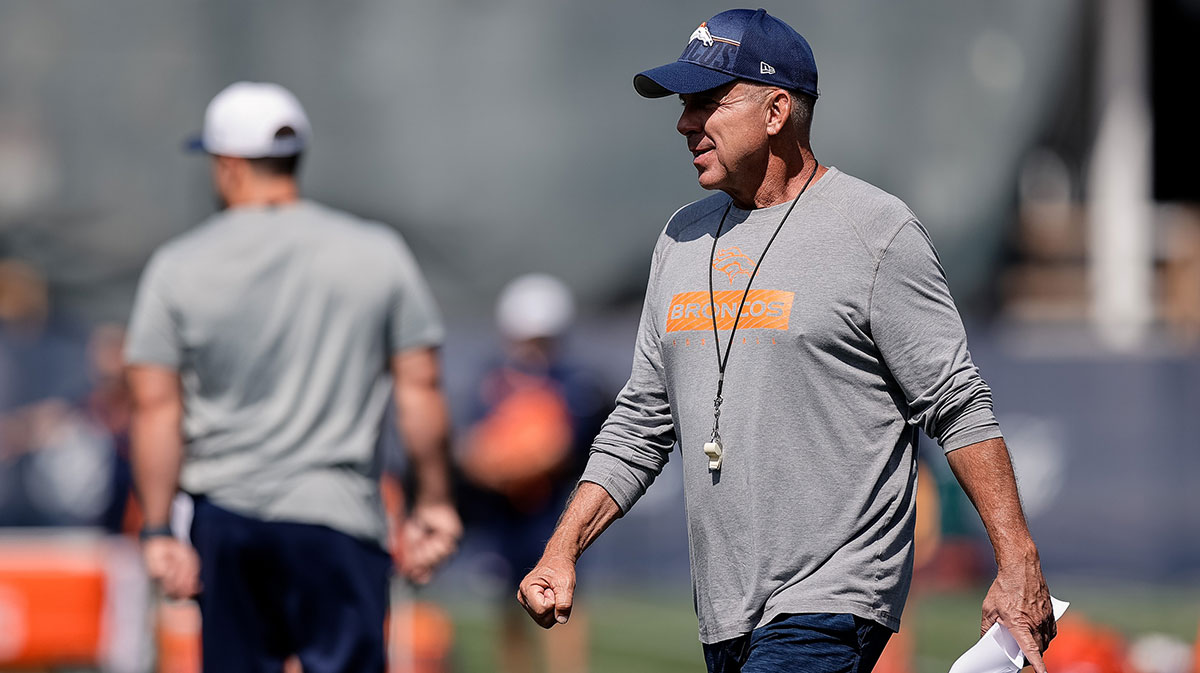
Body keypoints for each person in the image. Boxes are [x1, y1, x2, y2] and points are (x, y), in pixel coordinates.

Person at [516, 9, 1055, 673]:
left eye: (708, 102)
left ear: (776, 111)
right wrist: (562, 546)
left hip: (831, 598)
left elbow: (957, 403)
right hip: (724, 607)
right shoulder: (680, 237)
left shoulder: (875, 231)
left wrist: (1016, 562)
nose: (686, 122)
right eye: (684, 104)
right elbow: (640, 424)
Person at [125, 81, 461, 673]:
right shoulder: (376, 252)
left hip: (228, 520)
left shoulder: (177, 267)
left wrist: (157, 530)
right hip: (338, 515)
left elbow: (156, 409)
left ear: (227, 165)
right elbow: (420, 388)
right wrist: (433, 501)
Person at [459, 274, 610, 673]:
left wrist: (512, 462)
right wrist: (495, 465)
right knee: (509, 607)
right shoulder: (495, 381)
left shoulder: (574, 382)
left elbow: (557, 448)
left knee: (563, 605)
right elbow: (473, 448)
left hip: (552, 512)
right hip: (505, 515)